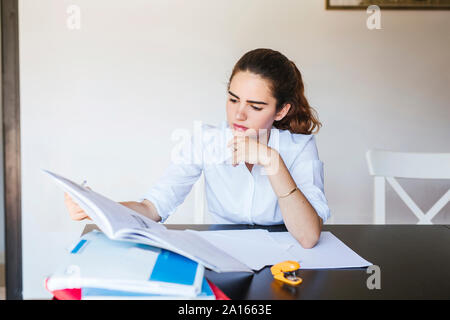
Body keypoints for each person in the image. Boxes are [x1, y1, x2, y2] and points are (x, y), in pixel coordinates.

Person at [65, 48, 330, 248]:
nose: (238, 114)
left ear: (281, 110)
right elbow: (152, 208)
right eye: (233, 99)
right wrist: (97, 206)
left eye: (255, 106)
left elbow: (308, 237)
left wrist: (272, 162)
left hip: (285, 256)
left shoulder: (300, 147)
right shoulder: (205, 140)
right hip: (226, 253)